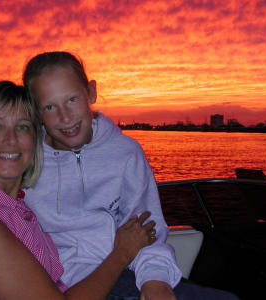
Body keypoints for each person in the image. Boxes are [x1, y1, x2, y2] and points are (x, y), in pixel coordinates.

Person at [22, 51, 240, 300]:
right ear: (37, 112)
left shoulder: (125, 153)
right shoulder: (27, 159)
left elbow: (148, 228)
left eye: (72, 99)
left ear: (90, 93)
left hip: (128, 272)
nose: (64, 116)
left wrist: (155, 280)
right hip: (67, 285)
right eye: (50, 107)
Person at [0, 80, 156, 300]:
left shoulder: (7, 204)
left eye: (23, 127)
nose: (11, 139)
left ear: (35, 139)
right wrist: (122, 253)